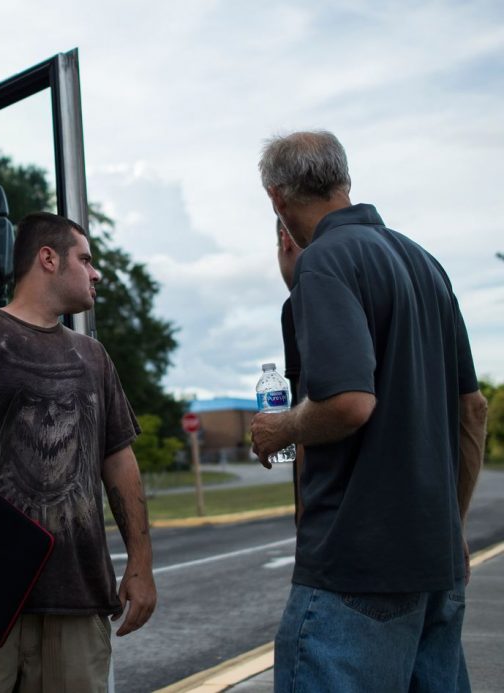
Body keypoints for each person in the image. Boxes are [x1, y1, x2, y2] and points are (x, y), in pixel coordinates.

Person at [252, 130, 488, 692]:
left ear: (275, 198)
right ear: (345, 182)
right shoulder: (424, 263)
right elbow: (473, 411)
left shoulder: (326, 262)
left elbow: (350, 404)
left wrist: (280, 427)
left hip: (357, 567)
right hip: (437, 565)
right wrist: (450, 525)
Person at [0, 211, 157, 693]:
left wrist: (141, 565)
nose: (95, 271)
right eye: (85, 259)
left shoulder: (93, 355)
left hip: (79, 598)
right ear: (48, 259)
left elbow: (120, 463)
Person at [275, 218, 305, 523]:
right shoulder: (427, 270)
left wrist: (304, 514)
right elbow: (473, 407)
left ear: (286, 239)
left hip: (345, 523)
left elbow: (309, 412)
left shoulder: (303, 300)